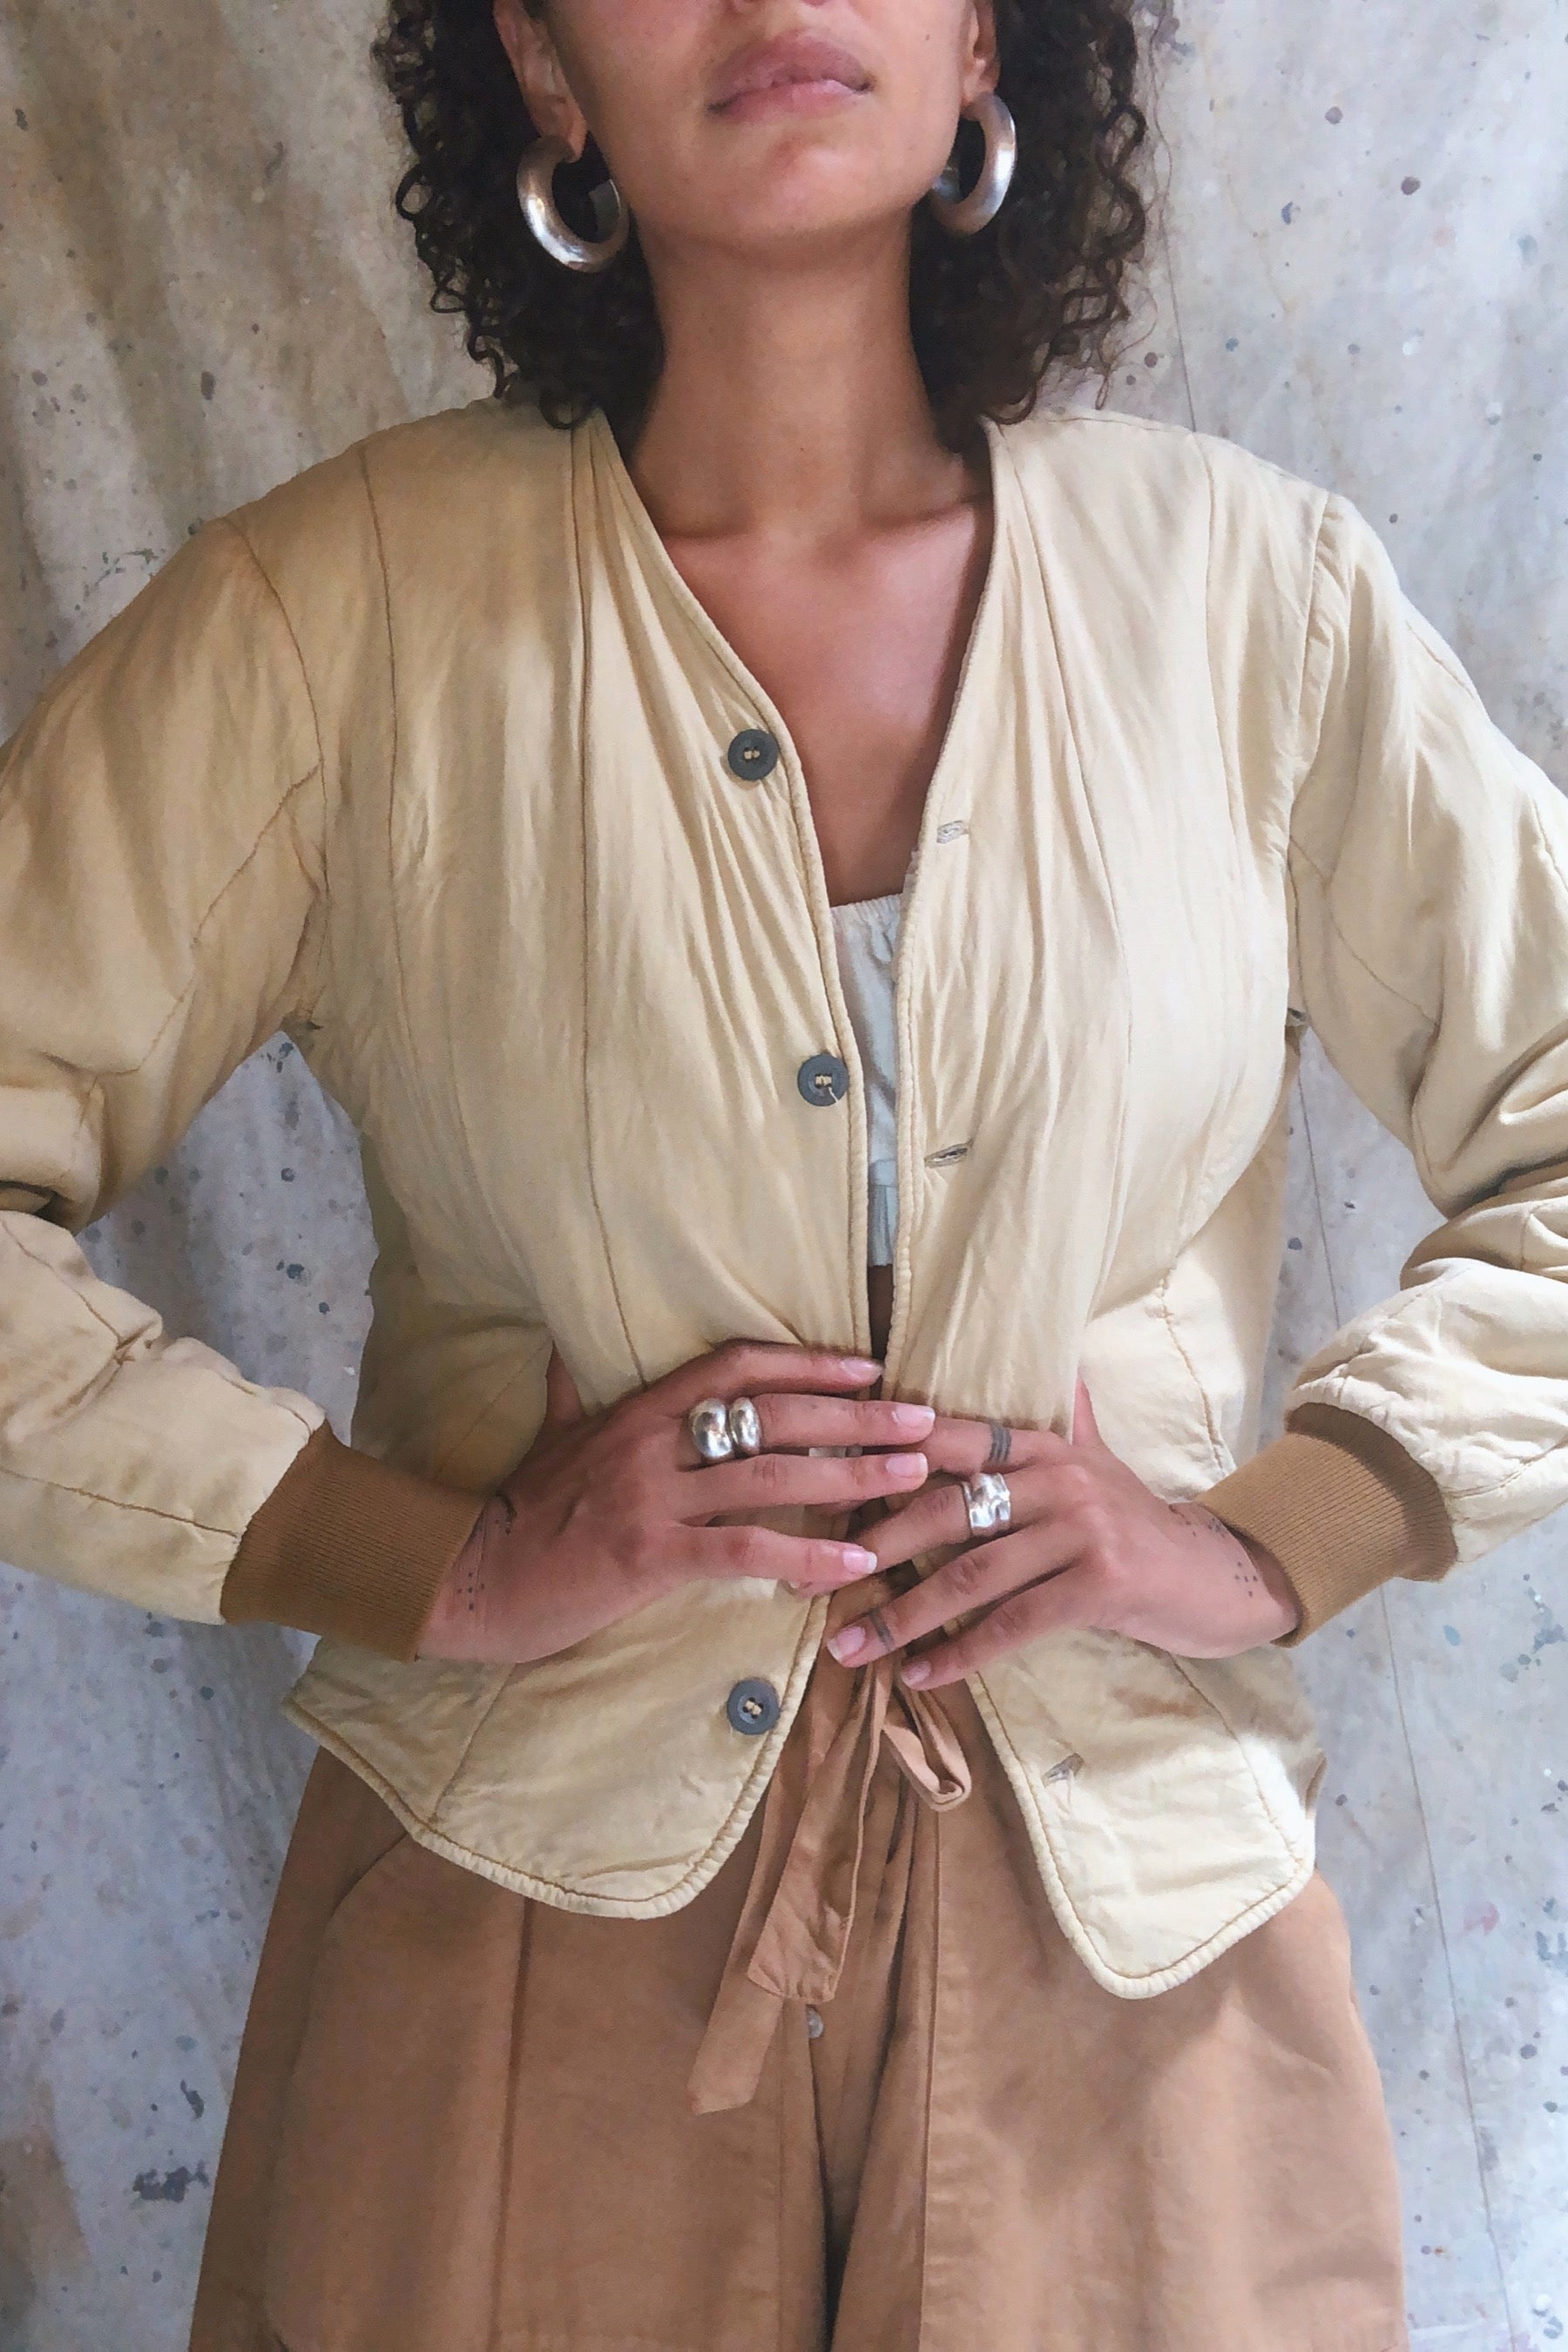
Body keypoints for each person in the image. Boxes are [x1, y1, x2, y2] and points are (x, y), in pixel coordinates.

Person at [3, 0, 1565, 2344]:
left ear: (985, 38)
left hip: (1140, 1989)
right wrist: (432, 1560)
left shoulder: (1258, 609)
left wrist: (1274, 1537)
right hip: (519, 1974)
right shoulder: (331, 627)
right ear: (545, 67)